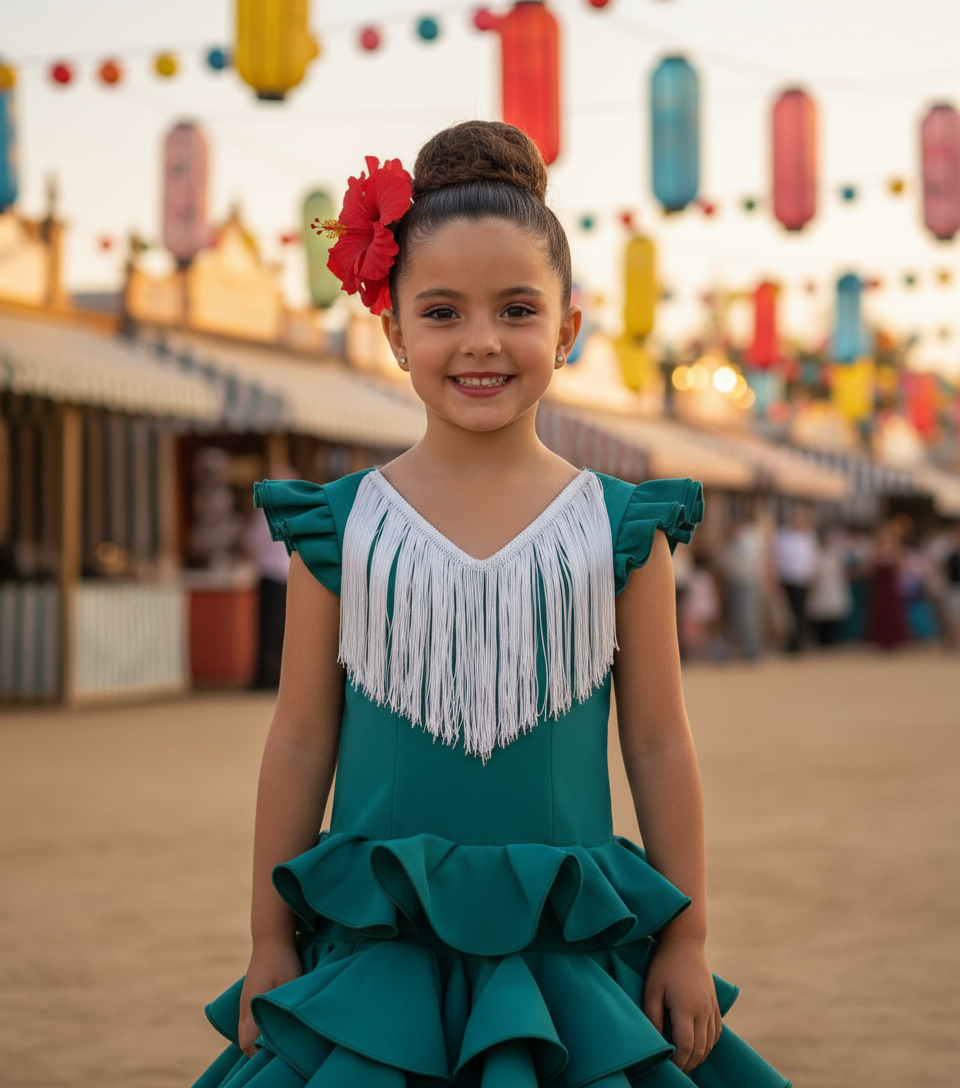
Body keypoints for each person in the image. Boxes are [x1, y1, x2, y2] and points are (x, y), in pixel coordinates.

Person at [191, 122, 790, 1087]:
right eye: (441, 312)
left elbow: (658, 743)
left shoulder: (622, 528)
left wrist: (686, 937)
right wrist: (267, 934)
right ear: (392, 331)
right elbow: (301, 738)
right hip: (374, 966)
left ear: (567, 328)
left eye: (516, 309)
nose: (480, 342)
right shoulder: (337, 530)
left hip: (569, 965)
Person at [773, 506, 819, 653]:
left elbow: (813, 558)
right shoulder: (783, 535)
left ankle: (798, 642)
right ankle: (790, 641)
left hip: (803, 579)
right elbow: (777, 557)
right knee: (788, 613)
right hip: (787, 578)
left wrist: (812, 577)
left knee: (800, 612)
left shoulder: (809, 536)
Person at [806, 529, 853, 647]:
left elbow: (840, 571)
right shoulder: (817, 555)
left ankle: (831, 639)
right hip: (821, 588)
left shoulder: (834, 554)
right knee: (821, 615)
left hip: (832, 588)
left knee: (832, 615)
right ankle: (822, 639)